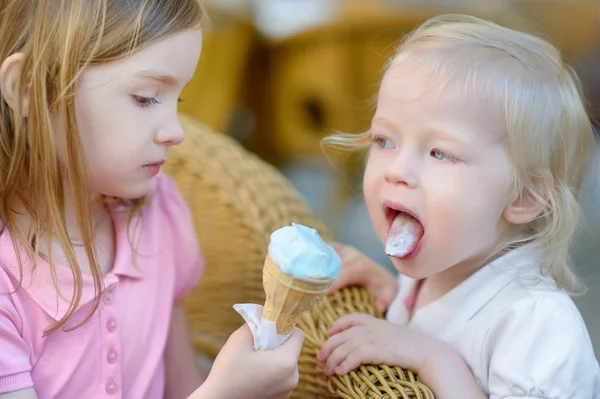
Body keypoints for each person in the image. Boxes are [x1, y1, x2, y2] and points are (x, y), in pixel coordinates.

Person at [0, 1, 303, 398]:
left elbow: (182, 385)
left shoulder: (160, 213)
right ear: (29, 88)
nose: (175, 131)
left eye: (178, 100)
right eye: (145, 97)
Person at [319, 14, 600, 399]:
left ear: (523, 197)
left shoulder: (535, 325)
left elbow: (444, 341)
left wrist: (433, 358)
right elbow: (441, 319)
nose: (397, 170)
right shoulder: (442, 262)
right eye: (384, 140)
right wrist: (388, 291)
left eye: (440, 153)